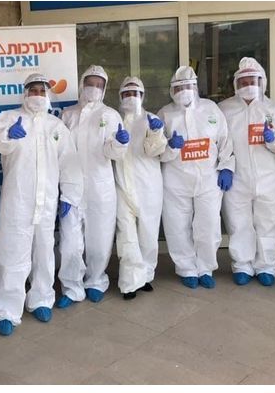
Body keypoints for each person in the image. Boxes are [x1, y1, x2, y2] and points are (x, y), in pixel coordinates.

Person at [0, 73, 82, 336]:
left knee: (44, 251)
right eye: (33, 90)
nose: (38, 94)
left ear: (48, 94)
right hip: (18, 200)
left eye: (42, 90)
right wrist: (9, 134)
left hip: (47, 201)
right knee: (13, 254)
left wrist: (69, 195)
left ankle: (41, 299)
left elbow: (69, 163)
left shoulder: (56, 126)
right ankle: (6, 309)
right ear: (25, 93)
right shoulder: (9, 117)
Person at [56, 65, 128, 308]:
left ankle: (96, 281)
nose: (94, 88)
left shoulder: (110, 115)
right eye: (90, 83)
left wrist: (119, 144)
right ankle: (71, 287)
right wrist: (64, 190)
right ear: (82, 84)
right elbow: (60, 153)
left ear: (104, 89)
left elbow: (113, 153)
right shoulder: (67, 115)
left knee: (100, 239)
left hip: (100, 188)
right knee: (70, 243)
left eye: (99, 85)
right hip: (72, 188)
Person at [158, 65, 235, 289]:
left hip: (209, 179)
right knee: (177, 226)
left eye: (188, 86)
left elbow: (225, 140)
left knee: (209, 225)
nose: (184, 91)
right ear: (172, 90)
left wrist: (227, 167)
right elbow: (157, 152)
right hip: (175, 181)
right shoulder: (165, 114)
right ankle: (186, 268)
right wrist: (170, 147)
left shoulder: (211, 109)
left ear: (195, 88)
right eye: (179, 87)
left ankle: (205, 268)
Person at [218, 58, 275, 286]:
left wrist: (273, 139)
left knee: (269, 221)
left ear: (262, 82)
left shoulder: (274, 109)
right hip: (237, 177)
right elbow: (221, 143)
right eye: (243, 82)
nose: (248, 85)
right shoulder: (224, 109)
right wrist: (225, 167)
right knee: (238, 221)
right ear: (236, 84)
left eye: (253, 81)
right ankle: (242, 265)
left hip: (269, 176)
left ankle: (266, 266)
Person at [114, 76, 167, 300]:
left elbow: (156, 151)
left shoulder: (152, 119)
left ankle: (145, 276)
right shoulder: (114, 120)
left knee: (148, 233)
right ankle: (129, 282)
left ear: (142, 96)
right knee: (126, 236)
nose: (131, 97)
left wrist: (156, 133)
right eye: (126, 94)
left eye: (135, 93)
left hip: (148, 187)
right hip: (121, 185)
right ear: (120, 96)